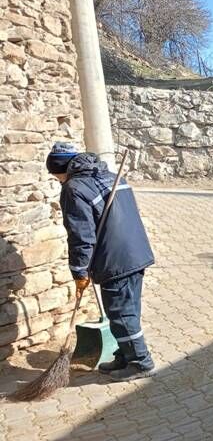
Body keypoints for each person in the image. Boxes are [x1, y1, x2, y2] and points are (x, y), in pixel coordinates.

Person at [46, 142, 156, 381]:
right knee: (127, 309)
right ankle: (125, 355)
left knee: (121, 313)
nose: (60, 182)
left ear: (63, 169)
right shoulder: (110, 176)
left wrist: (79, 271)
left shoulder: (74, 188)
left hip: (115, 259)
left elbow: (81, 236)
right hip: (135, 253)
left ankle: (140, 362)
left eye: (57, 177)